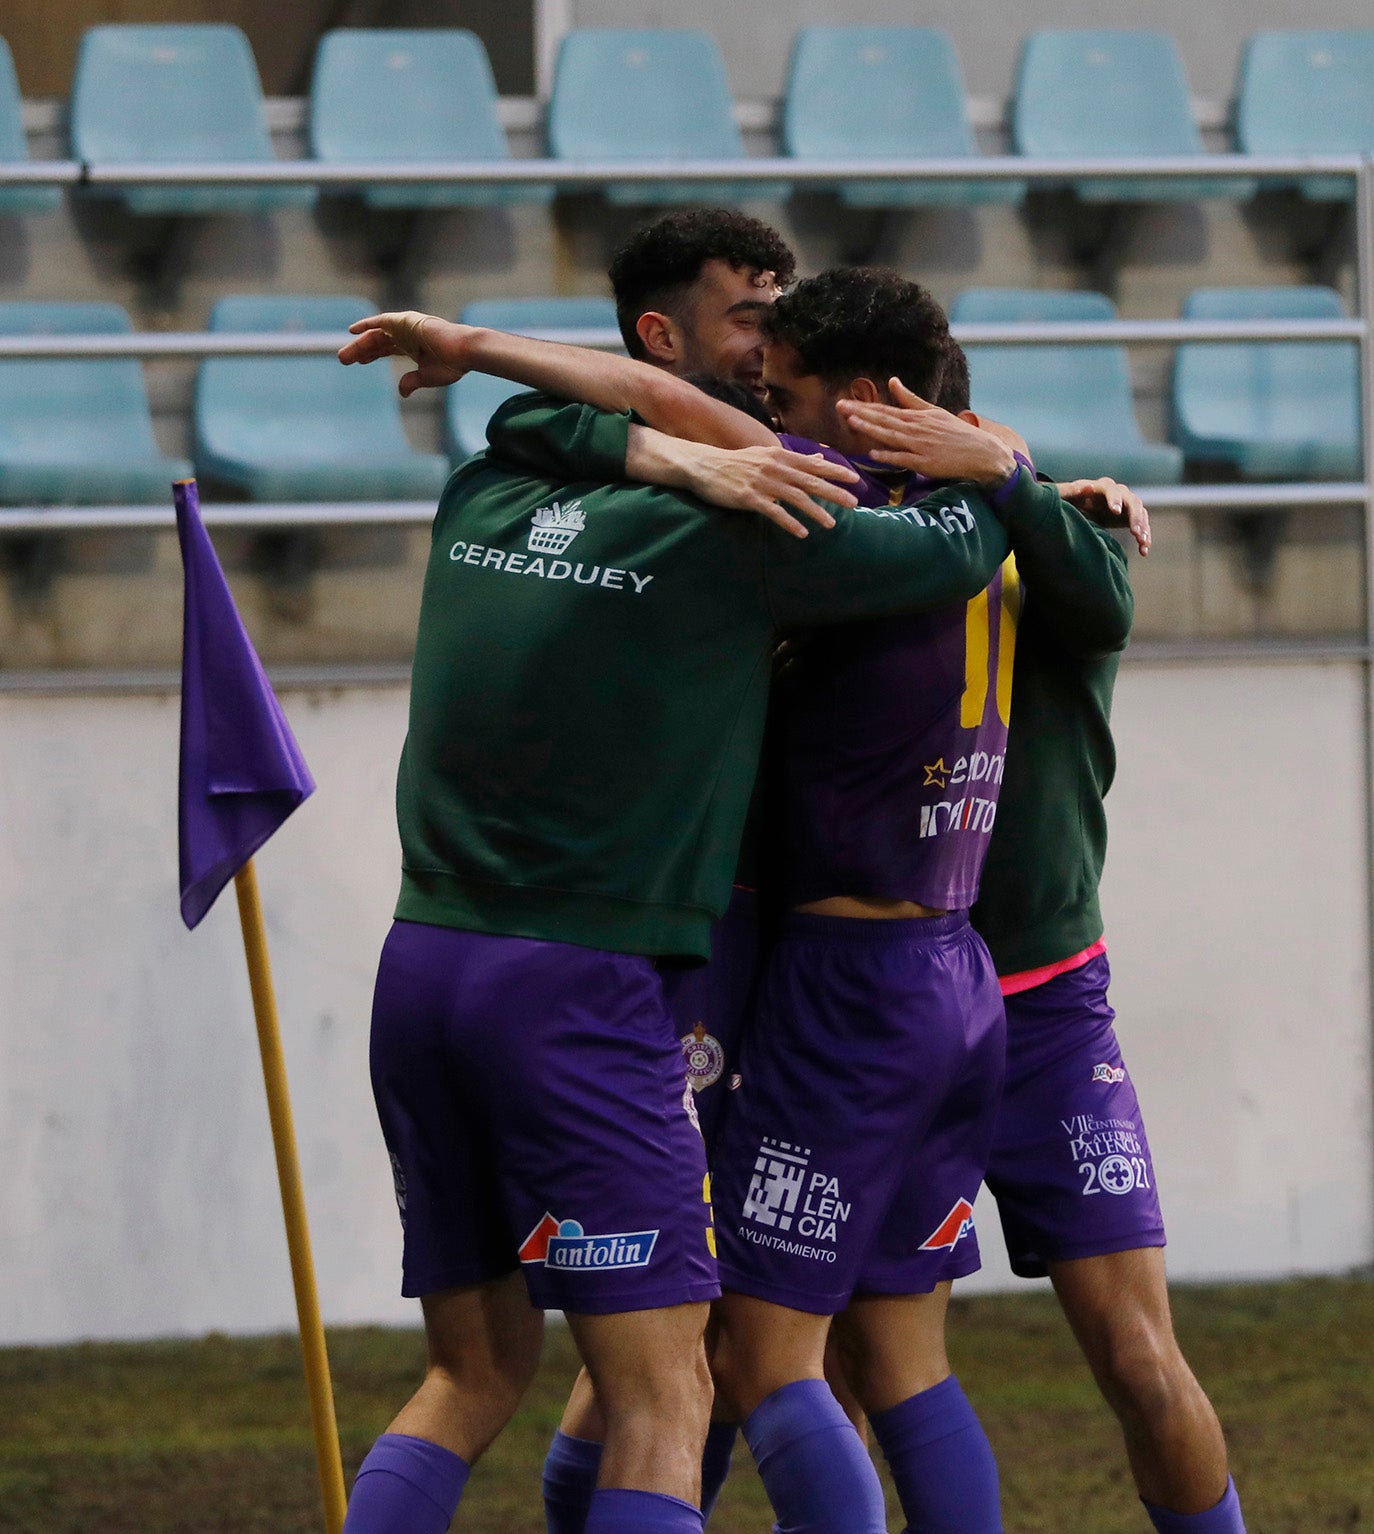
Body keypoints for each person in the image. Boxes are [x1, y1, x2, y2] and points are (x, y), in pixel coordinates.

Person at [336, 308, 1044, 1534]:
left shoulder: (482, 499)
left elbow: (550, 413)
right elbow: (948, 549)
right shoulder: (752, 534)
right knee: (677, 1390)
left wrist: (514, 369)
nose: (759, 381)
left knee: (473, 1371)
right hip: (591, 989)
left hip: (424, 964)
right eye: (745, 324)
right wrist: (1011, 474)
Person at [842, 390, 1248, 1534]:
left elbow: (1101, 596)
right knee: (857, 1360)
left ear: (951, 413)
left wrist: (1020, 481)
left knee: (1134, 1349)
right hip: (884, 993)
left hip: (1044, 1002)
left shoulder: (1069, 534)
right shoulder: (845, 551)